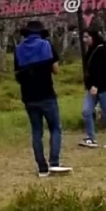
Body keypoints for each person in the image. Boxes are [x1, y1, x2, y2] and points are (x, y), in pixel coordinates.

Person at [13, 20, 71, 176]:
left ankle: (42, 168)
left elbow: (17, 74)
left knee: (37, 131)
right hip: (46, 93)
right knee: (55, 128)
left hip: (29, 97)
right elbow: (56, 70)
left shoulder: (19, 49)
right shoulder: (46, 45)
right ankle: (54, 162)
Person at [79, 30, 106, 149]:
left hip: (104, 88)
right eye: (84, 37)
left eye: (87, 37)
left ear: (93, 37)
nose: (84, 40)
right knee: (86, 111)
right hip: (91, 88)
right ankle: (91, 138)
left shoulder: (101, 50)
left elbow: (103, 70)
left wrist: (96, 85)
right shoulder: (90, 51)